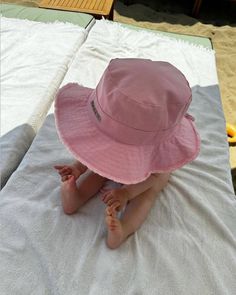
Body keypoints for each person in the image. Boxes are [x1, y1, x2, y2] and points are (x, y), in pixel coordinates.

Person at [54, 58, 200, 249]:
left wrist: (126, 193)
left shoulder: (158, 152)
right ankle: (76, 197)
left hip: (151, 173)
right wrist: (78, 168)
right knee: (99, 166)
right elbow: (94, 150)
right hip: (133, 137)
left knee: (147, 195)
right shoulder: (120, 115)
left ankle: (124, 228)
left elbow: (154, 178)